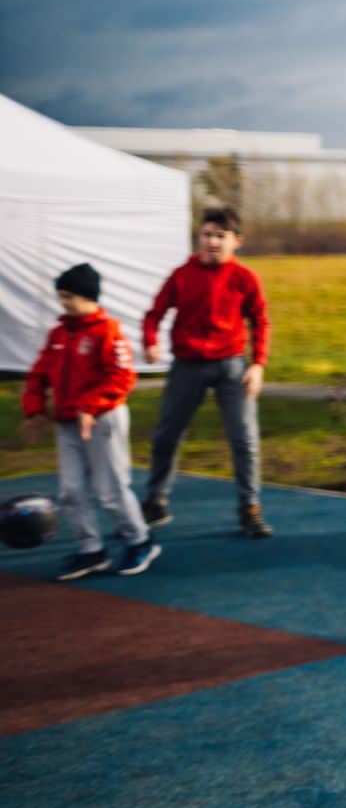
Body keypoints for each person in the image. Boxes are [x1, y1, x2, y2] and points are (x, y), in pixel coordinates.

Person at [22, 264, 160, 580]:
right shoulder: (58, 334)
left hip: (102, 419)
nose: (63, 303)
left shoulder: (108, 331)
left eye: (68, 296)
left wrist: (90, 406)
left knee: (110, 489)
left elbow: (122, 376)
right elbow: (39, 374)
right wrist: (34, 410)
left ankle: (140, 539)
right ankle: (91, 549)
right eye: (60, 296)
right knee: (71, 491)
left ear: (87, 296)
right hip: (68, 423)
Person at [141, 206, 271, 539]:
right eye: (207, 235)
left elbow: (260, 321)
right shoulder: (181, 275)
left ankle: (249, 508)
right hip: (188, 365)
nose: (212, 242)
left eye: (220, 236)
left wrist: (257, 365)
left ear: (236, 241)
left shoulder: (244, 278)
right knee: (166, 434)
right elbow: (154, 314)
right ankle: (155, 500)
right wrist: (150, 342)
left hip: (231, 367)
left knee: (244, 439)